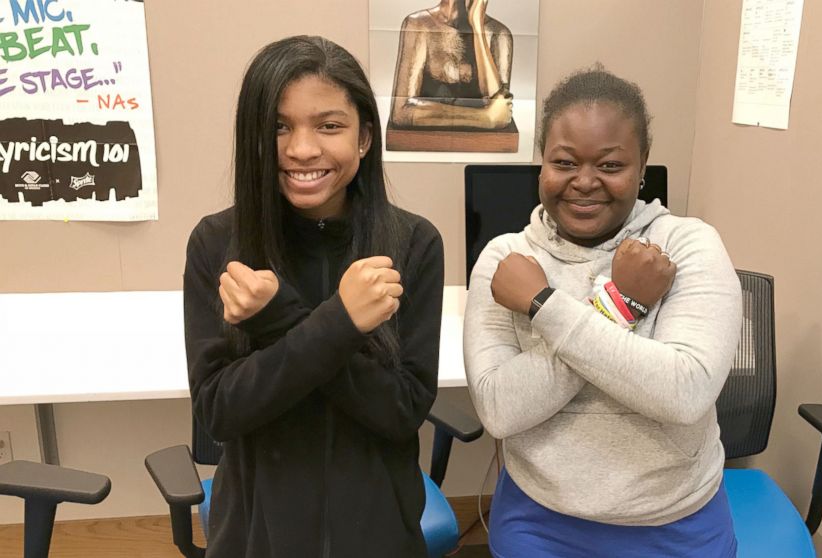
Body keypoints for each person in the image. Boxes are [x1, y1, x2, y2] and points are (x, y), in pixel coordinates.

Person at [463, 66, 742, 557]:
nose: (584, 183)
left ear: (642, 164)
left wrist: (545, 306)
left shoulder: (685, 245)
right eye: (565, 162)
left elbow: (685, 392)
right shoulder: (506, 261)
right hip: (539, 520)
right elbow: (499, 410)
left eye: (610, 166)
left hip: (674, 522)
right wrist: (621, 305)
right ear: (542, 162)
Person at [183, 36, 444, 557]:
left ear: (364, 137)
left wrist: (279, 319)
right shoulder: (218, 243)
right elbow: (219, 414)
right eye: (279, 127)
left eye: (329, 126)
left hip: (379, 537)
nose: (302, 149)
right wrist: (340, 323)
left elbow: (401, 411)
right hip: (257, 538)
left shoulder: (412, 244)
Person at [388, 0, 514, 130]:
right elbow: (401, 112)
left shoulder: (498, 34)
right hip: (431, 144)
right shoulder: (420, 25)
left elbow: (501, 111)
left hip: (478, 148)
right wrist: (484, 118)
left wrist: (477, 26)